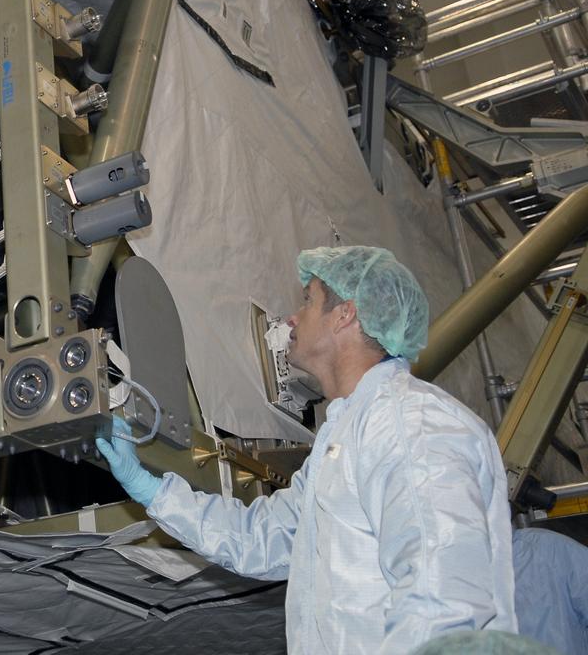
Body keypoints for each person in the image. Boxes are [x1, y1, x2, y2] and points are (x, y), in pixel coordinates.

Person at [97, 245, 516, 654]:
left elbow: (443, 598)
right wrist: (152, 491)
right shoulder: (345, 439)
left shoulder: (411, 423)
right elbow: (260, 539)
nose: (292, 318)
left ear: (346, 314)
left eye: (308, 300)